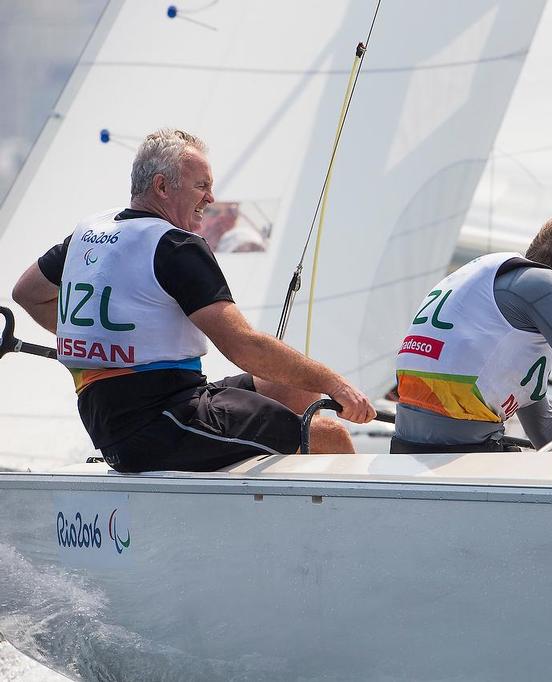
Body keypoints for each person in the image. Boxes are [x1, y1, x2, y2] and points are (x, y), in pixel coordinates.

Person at [11, 128, 375, 472]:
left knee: (297, 388)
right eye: (201, 186)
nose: (211, 198)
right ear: (162, 186)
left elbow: (27, 293)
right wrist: (337, 384)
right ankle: (356, 536)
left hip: (120, 418)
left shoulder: (89, 233)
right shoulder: (175, 246)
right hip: (160, 421)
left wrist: (99, 342)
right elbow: (243, 346)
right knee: (330, 436)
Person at [392, 212, 552, 453]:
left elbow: (541, 423)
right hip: (462, 452)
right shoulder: (545, 285)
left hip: (405, 448)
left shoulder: (499, 291)